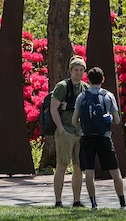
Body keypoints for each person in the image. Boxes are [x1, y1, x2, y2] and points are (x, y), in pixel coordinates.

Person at [72, 67, 126, 211]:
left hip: (86, 138)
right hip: (104, 138)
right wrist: (108, 118)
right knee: (115, 172)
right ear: (103, 80)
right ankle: (122, 203)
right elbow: (117, 121)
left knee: (89, 172)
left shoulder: (82, 97)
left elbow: (73, 121)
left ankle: (94, 204)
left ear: (87, 80)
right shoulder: (108, 96)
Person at [49, 56, 89, 207]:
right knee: (62, 165)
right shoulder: (62, 86)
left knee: (78, 167)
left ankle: (76, 201)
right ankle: (58, 202)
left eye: (81, 70)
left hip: (80, 132)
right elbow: (53, 109)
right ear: (70, 70)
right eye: (76, 70)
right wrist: (61, 129)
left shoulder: (85, 88)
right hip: (65, 131)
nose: (78, 73)